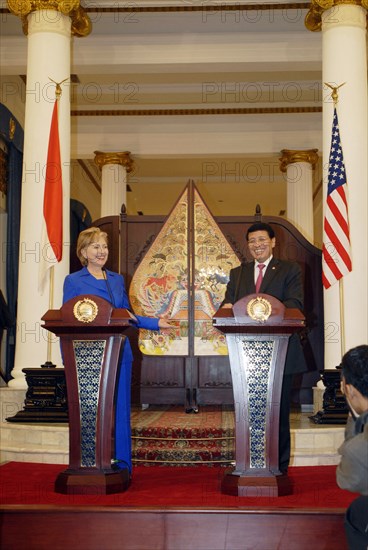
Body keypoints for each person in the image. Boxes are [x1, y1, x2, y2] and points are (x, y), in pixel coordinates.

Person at [63, 227, 171, 476]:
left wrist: (155, 323)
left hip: (119, 352)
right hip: (88, 355)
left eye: (104, 246)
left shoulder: (116, 279)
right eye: (95, 247)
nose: (101, 251)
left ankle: (123, 464)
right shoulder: (74, 281)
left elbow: (126, 314)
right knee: (93, 409)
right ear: (83, 252)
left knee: (121, 409)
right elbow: (68, 319)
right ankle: (91, 462)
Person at [221, 221, 307, 473]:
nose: (257, 245)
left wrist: (261, 308)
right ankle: (247, 464)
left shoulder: (290, 269)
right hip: (246, 355)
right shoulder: (238, 273)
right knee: (247, 412)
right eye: (252, 241)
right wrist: (226, 306)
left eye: (261, 240)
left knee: (277, 414)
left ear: (272, 242)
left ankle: (277, 468)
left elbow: (295, 303)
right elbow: (229, 302)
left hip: (280, 352)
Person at [337, 344, 368, 550]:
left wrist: (353, 417)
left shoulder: (358, 448)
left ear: (348, 389)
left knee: (358, 511)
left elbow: (348, 480)